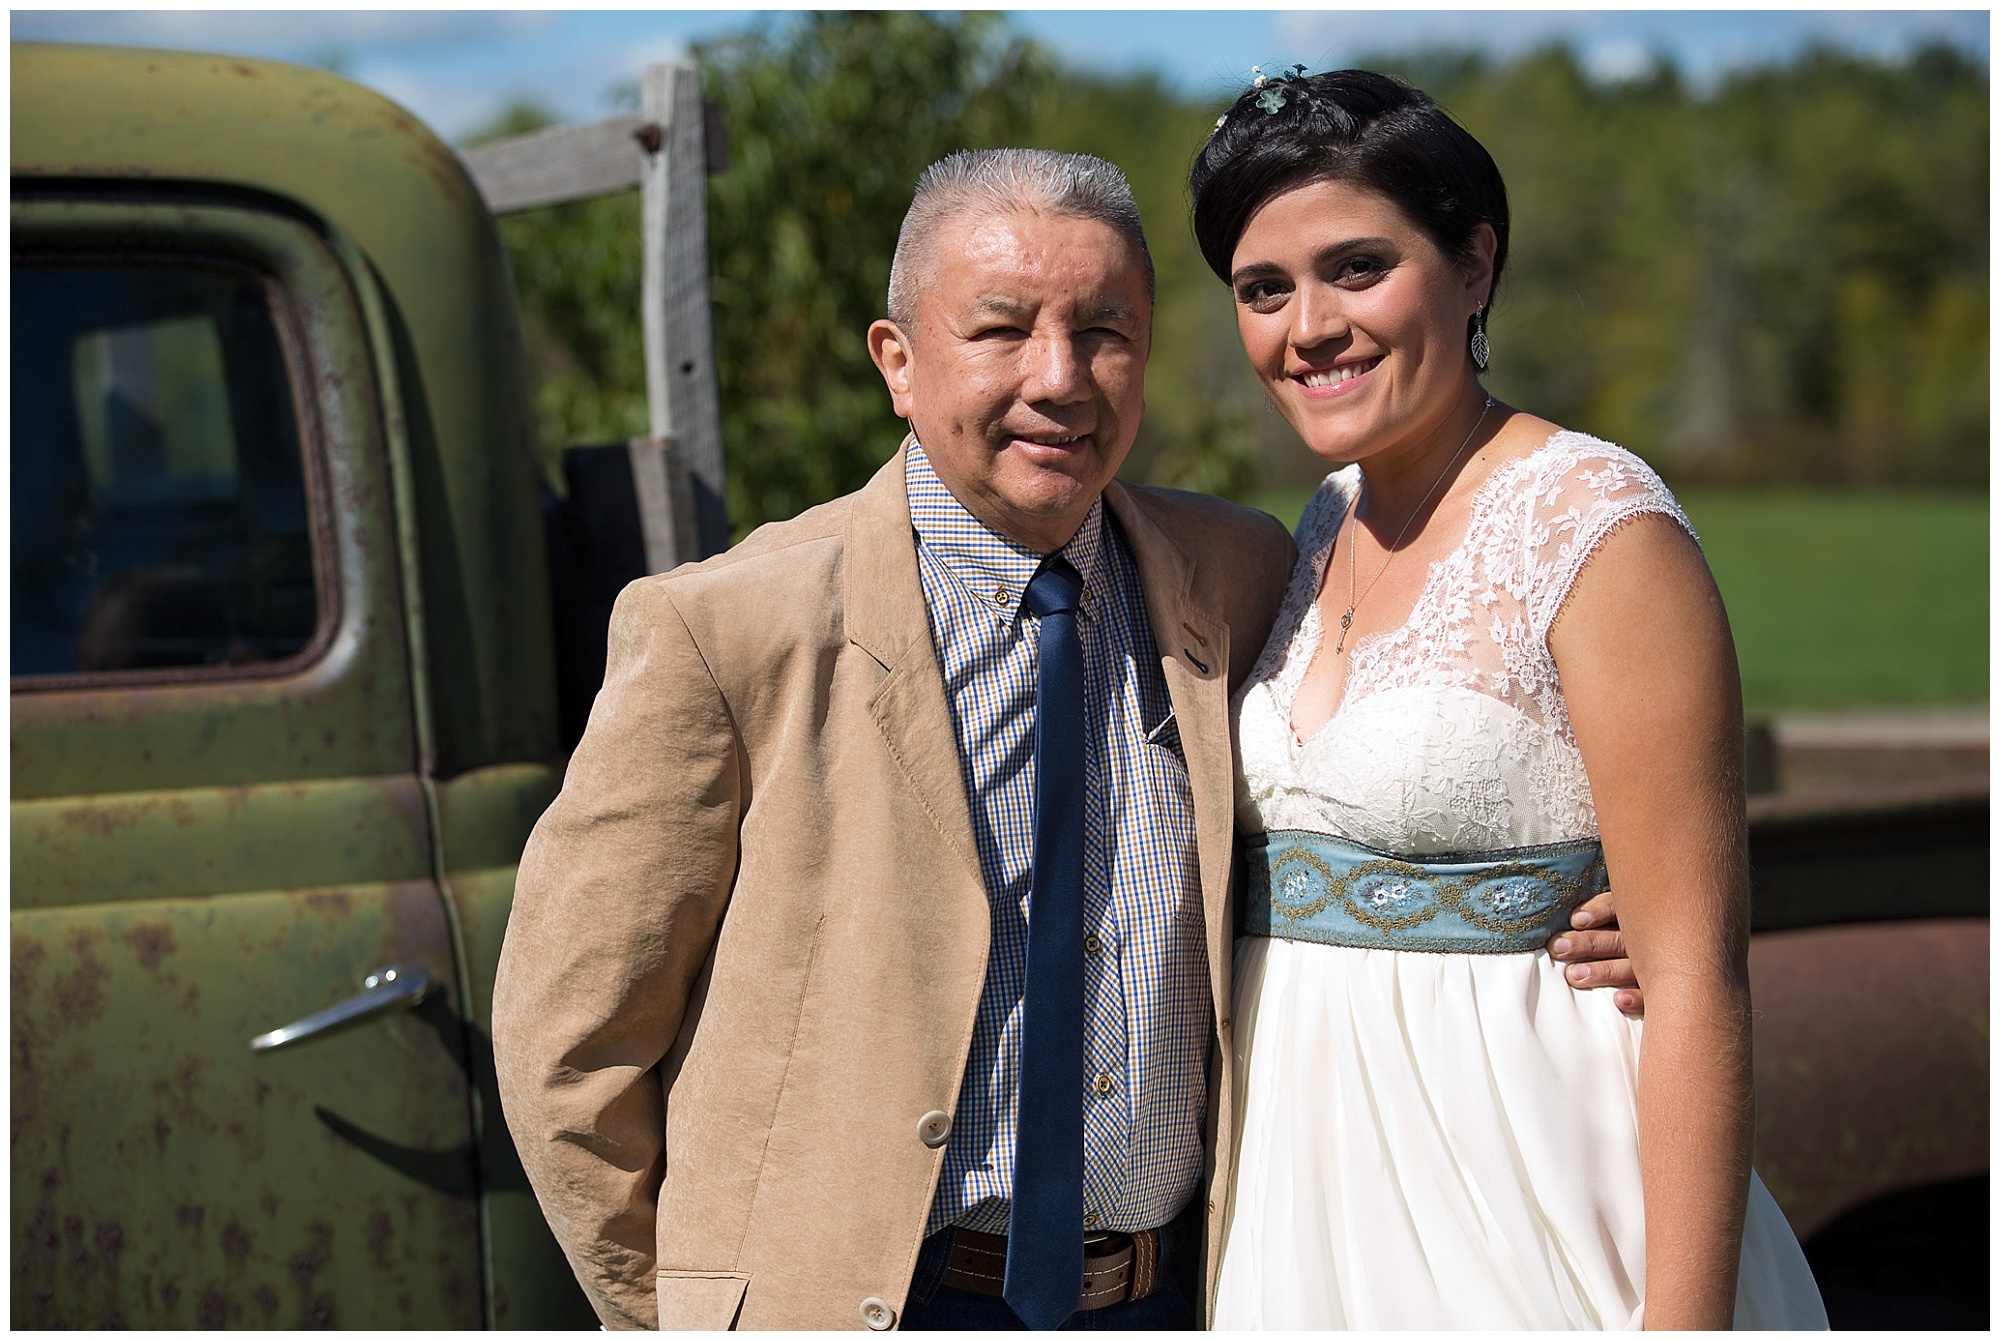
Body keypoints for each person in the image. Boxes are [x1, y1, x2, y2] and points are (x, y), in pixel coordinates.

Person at [491, 147, 1640, 1332]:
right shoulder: (726, 629)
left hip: (1179, 1292)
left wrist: (1611, 898)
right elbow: (565, 1050)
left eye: (1106, 333)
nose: (1060, 379)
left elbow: (1419, 729)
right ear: (897, 360)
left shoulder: (1240, 572)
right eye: (999, 330)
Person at [1190, 69, 1828, 1328]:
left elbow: (1694, 978)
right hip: (1298, 1197)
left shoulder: (1597, 527)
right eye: (1264, 290)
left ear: (1472, 266)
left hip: (1519, 1184)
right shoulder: (1321, 525)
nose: (1306, 325)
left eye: (1357, 267)